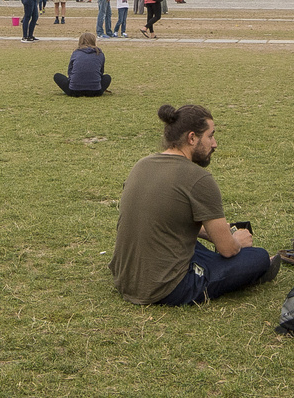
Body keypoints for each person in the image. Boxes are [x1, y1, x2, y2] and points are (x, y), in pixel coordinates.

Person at [110, 104, 276, 306]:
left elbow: (162, 219)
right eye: (210, 136)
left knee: (196, 244)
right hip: (166, 288)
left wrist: (210, 233)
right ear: (191, 138)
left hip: (125, 277)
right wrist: (237, 241)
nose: (214, 144)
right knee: (258, 257)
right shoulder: (199, 179)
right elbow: (228, 250)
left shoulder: (142, 164)